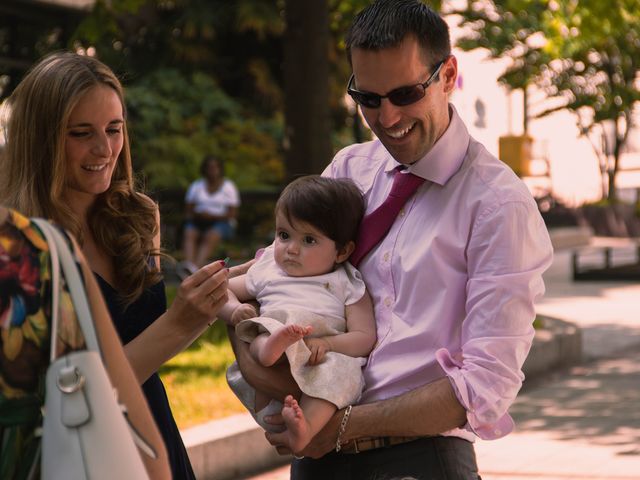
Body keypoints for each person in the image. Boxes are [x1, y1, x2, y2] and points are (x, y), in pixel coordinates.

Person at [229, 1, 554, 479]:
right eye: (368, 99)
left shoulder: (497, 205)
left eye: (404, 93)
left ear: (447, 75)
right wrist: (254, 353)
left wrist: (341, 426)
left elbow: (485, 385)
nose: (387, 117)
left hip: (418, 460)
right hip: (316, 457)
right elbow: (270, 276)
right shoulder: (348, 170)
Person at [0, 51, 230, 480]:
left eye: (114, 128)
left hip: (153, 434)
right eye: (81, 133)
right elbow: (59, 397)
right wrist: (179, 326)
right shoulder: (20, 248)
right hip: (81, 457)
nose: (104, 149)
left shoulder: (140, 216)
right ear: (41, 139)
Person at [0, 207, 171, 480]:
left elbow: (85, 381)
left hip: (108, 433)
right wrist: (182, 324)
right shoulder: (47, 245)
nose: (105, 160)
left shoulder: (46, 248)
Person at [221, 175, 376, 453]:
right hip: (273, 343)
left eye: (308, 240)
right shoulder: (268, 270)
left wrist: (328, 344)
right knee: (261, 328)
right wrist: (234, 310)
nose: (291, 249)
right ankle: (272, 348)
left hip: (318, 356)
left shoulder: (346, 282)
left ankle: (304, 430)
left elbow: (365, 336)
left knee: (345, 373)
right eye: (283, 235)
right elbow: (222, 291)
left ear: (342, 251)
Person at [181, 155, 240, 274]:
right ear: (204, 169)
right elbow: (188, 209)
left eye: (215, 167)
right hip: (199, 220)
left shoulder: (229, 187)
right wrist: (200, 215)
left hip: (222, 223)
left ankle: (194, 269)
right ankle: (189, 265)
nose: (212, 170)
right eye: (209, 167)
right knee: (189, 232)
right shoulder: (196, 186)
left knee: (211, 235)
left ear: (220, 169)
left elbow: (232, 214)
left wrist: (212, 216)